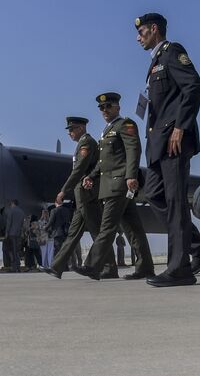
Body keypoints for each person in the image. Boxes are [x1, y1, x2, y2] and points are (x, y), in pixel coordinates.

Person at [134, 13, 200, 287]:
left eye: (141, 32)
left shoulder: (173, 52)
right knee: (154, 194)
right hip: (158, 144)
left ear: (154, 29)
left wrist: (180, 127)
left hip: (174, 140)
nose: (138, 38)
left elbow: (194, 85)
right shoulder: (155, 63)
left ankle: (179, 269)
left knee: (175, 203)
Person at [77, 93, 154, 281]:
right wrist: (92, 176)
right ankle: (145, 268)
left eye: (108, 106)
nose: (105, 110)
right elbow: (105, 161)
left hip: (119, 185)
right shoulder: (107, 130)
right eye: (101, 108)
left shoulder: (125, 125)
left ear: (118, 107)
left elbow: (133, 150)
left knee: (107, 227)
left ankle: (92, 266)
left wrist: (131, 176)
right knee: (133, 228)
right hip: (110, 185)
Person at [44, 116, 121, 279]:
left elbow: (79, 170)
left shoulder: (86, 143)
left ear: (81, 128)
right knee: (74, 233)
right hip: (81, 196)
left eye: (72, 129)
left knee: (96, 231)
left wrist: (63, 190)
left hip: (87, 194)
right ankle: (57, 267)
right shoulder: (82, 144)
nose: (69, 133)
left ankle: (109, 267)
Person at [4, 200, 25, 272]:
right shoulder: (22, 212)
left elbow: (9, 223)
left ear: (12, 203)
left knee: (11, 251)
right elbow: (22, 224)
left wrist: (6, 233)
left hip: (11, 234)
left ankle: (14, 267)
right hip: (18, 233)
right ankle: (18, 267)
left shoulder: (11, 211)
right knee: (17, 251)